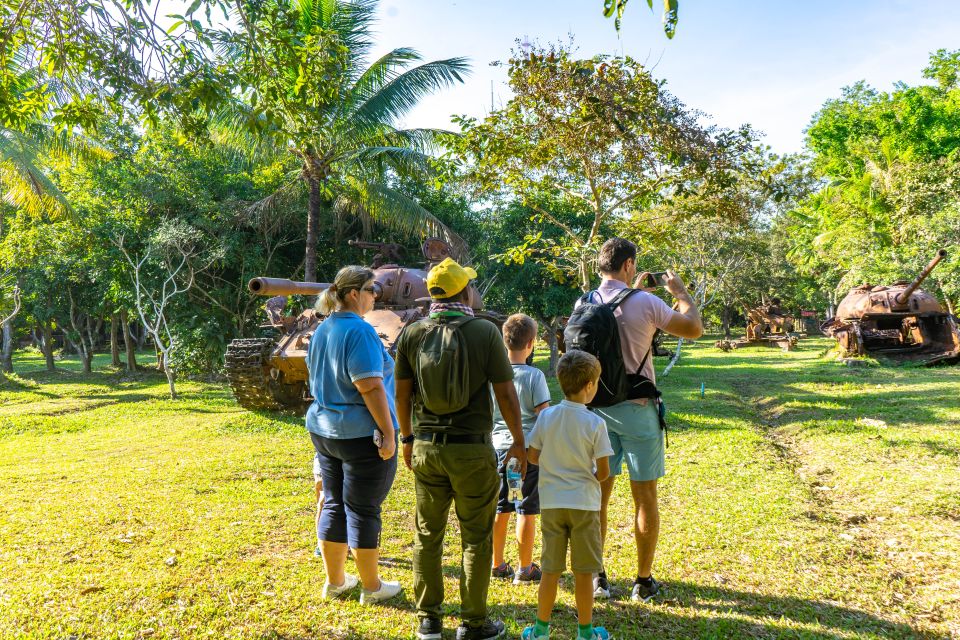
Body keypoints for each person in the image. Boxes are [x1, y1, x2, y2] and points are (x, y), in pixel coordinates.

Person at [395, 257, 527, 640]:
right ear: (465, 291)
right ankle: (473, 623)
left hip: (427, 449)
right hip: (472, 452)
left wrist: (407, 439)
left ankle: (429, 621)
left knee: (427, 536)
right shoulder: (484, 332)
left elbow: (401, 396)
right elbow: (505, 394)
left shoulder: (412, 333)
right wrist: (519, 441)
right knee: (476, 537)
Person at [582, 238, 703, 602]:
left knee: (598, 498)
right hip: (637, 409)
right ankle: (643, 581)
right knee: (644, 497)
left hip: (595, 411)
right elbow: (693, 328)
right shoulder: (648, 303)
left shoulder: (584, 302)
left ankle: (597, 578)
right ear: (630, 264)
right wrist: (680, 292)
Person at [306, 265, 402, 604]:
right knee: (363, 509)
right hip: (360, 434)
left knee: (333, 502)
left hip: (325, 429)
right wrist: (389, 434)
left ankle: (336, 581)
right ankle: (372, 587)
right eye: (372, 289)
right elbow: (369, 386)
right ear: (352, 294)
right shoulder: (359, 331)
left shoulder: (323, 329)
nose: (376, 295)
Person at [522, 350, 613, 640]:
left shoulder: (547, 416)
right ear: (589, 386)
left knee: (550, 570)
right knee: (585, 572)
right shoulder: (596, 423)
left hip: (552, 504)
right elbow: (603, 472)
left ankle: (540, 629)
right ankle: (585, 632)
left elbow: (533, 457)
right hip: (584, 505)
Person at [490, 314, 551, 585]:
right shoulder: (534, 376)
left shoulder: (494, 376)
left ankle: (497, 563)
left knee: (502, 505)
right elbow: (544, 415)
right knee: (525, 506)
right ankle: (525, 568)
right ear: (531, 343)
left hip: (499, 450)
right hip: (525, 452)